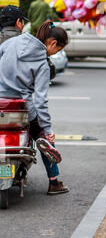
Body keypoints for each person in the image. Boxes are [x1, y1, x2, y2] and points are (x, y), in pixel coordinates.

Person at [0, 20, 69, 195]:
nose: (54, 54)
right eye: (58, 50)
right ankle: (54, 182)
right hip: (21, 108)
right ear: (52, 43)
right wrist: (47, 128)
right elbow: (40, 101)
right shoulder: (42, 64)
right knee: (44, 137)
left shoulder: (12, 42)